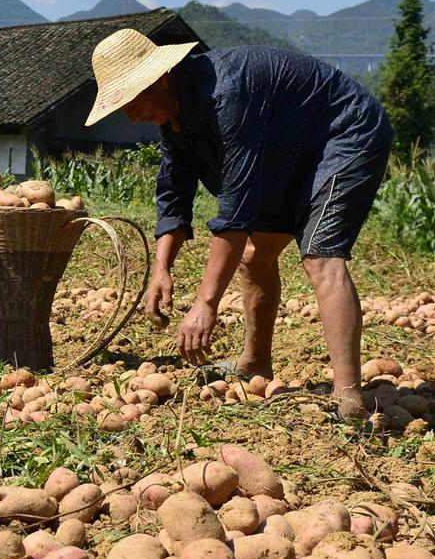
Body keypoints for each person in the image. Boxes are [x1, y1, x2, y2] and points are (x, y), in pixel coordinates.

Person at [85, 30, 394, 418]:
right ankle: (256, 363)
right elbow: (173, 194)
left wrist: (205, 303)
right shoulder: (174, 120)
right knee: (254, 256)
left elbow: (235, 213)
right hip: (289, 152)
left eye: (131, 100)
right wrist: (161, 268)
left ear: (159, 78)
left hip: (346, 134)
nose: (130, 116)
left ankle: (348, 397)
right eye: (121, 107)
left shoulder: (226, 94)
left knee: (320, 258)